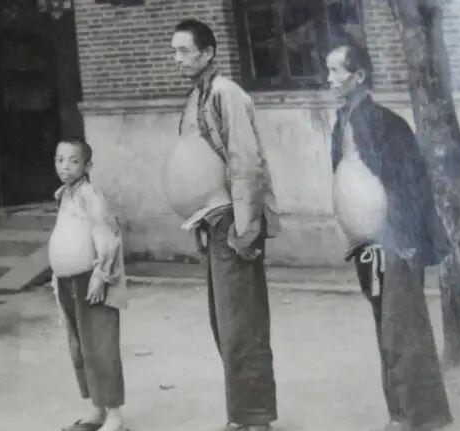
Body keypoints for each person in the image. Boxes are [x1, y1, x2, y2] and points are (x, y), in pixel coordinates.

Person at [326, 42, 453, 431]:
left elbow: (409, 185)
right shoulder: (343, 121)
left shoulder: (386, 123)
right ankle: (399, 412)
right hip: (367, 242)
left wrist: (403, 240)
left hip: (396, 240)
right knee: (386, 325)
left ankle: (421, 416)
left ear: (359, 76)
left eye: (335, 71)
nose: (328, 79)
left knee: (403, 327)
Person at [164, 18, 280, 431]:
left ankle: (255, 418)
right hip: (212, 222)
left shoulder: (225, 93)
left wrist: (245, 229)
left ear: (208, 51)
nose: (177, 58)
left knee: (243, 323)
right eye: (174, 51)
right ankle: (240, 414)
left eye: (184, 50)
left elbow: (245, 162)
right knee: (225, 322)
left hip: (234, 222)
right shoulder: (197, 95)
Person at [48, 139, 128, 431]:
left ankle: (115, 415)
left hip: (90, 281)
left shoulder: (90, 194)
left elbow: (106, 235)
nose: (65, 167)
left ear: (88, 166)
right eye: (59, 160)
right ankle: (97, 409)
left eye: (73, 161)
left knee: (100, 346)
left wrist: (100, 275)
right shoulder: (65, 195)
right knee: (80, 346)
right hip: (67, 281)